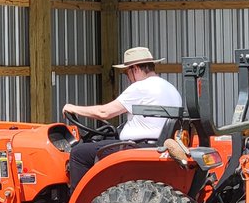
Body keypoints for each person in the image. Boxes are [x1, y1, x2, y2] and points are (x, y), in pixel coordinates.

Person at [61, 47, 183, 188]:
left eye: (126, 72)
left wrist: (73, 108)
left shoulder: (140, 87)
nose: (127, 77)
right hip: (156, 142)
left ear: (135, 68)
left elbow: (104, 112)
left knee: (79, 154)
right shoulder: (170, 87)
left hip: (137, 147)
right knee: (103, 139)